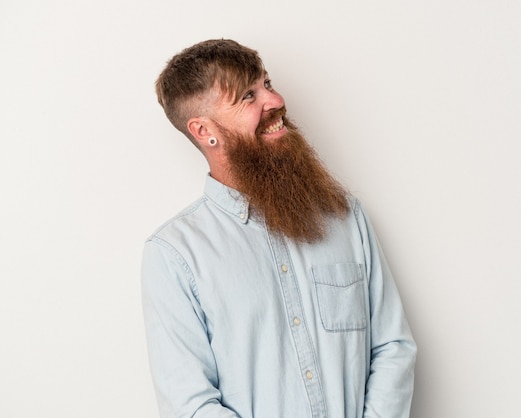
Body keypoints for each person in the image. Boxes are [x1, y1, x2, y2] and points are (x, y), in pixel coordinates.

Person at [142, 39, 417, 418]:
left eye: (267, 84)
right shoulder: (174, 254)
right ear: (204, 130)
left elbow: (392, 347)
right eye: (247, 96)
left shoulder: (344, 215)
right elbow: (192, 405)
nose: (274, 101)